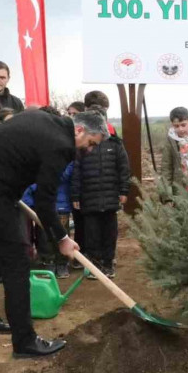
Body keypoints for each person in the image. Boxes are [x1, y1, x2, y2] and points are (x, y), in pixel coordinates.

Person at [0, 110, 105, 358]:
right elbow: (45, 203)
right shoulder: (61, 145)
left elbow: (14, 158)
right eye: (90, 144)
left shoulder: (42, 119)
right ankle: (25, 342)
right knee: (16, 263)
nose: (88, 150)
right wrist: (62, 239)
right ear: (79, 130)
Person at [71, 112, 130, 279]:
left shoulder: (115, 145)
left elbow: (123, 168)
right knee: (91, 234)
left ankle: (108, 263)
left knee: (110, 233)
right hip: (88, 197)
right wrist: (75, 195)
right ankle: (94, 265)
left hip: (110, 197)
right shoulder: (82, 146)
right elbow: (76, 171)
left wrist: (124, 190)